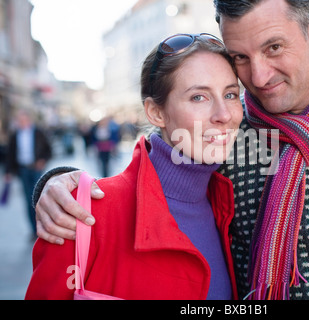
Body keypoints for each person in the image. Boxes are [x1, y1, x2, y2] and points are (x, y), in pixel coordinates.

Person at [33, 0, 309, 300]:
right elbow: (154, 183)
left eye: (273, 47)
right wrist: (57, 184)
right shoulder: (234, 132)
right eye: (240, 58)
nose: (260, 76)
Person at [26, 33, 242, 300]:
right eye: (199, 97)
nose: (225, 114)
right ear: (156, 112)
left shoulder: (232, 204)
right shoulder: (79, 215)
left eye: (231, 94)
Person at [4, 108, 52, 237]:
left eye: (23, 120)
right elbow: (10, 154)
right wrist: (7, 172)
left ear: (29, 120)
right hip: (23, 169)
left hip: (36, 169)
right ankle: (34, 229)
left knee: (38, 198)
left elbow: (48, 149)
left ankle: (43, 226)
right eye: (19, 120)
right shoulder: (15, 135)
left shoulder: (38, 133)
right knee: (28, 199)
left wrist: (42, 161)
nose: (21, 122)